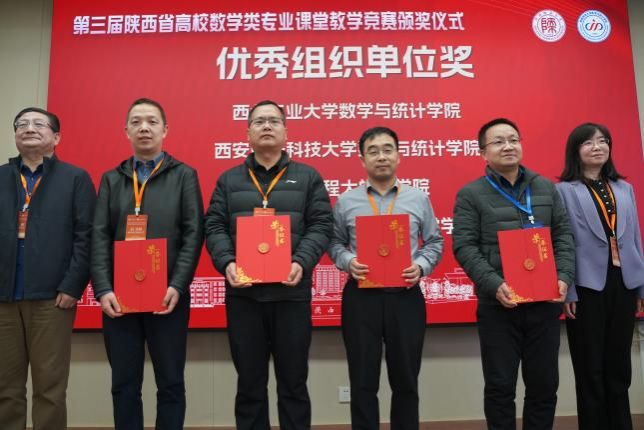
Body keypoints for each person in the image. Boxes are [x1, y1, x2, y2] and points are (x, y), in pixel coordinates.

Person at [204, 100, 333, 430]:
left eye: (273, 121)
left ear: (285, 132)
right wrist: (227, 262)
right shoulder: (229, 180)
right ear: (247, 133)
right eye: (259, 121)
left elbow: (321, 225)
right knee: (249, 386)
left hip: (291, 296)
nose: (266, 126)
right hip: (244, 297)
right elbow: (214, 226)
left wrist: (301, 261)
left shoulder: (308, 177)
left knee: (293, 384)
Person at [452, 118, 575, 430]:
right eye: (498, 141)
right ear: (483, 152)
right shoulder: (471, 194)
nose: (508, 146)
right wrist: (495, 285)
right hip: (499, 306)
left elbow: (563, 236)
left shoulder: (545, 187)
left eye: (513, 139)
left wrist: (563, 276)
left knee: (544, 385)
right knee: (500, 386)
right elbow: (464, 246)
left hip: (544, 305)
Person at [91, 98, 203, 430]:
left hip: (167, 297)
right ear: (126, 130)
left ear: (165, 130)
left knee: (171, 382)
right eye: (136, 122)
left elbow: (193, 234)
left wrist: (177, 285)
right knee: (124, 384)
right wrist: (103, 289)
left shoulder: (184, 175)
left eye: (152, 122)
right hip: (119, 299)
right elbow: (99, 236)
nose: (144, 128)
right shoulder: (111, 179)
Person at [328, 126, 444, 430]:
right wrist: (348, 261)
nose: (381, 156)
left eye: (387, 149)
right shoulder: (346, 201)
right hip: (361, 297)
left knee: (406, 380)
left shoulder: (418, 198)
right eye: (373, 151)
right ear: (362, 159)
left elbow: (435, 241)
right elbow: (334, 243)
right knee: (362, 381)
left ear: (398, 155)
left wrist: (421, 266)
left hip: (405, 295)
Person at [0, 107, 96, 430]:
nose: (29, 128)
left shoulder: (75, 179)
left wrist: (72, 286)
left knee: (50, 390)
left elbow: (87, 236)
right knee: (5, 389)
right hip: (3, 299)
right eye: (22, 124)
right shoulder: (1, 177)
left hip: (52, 300)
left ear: (56, 137)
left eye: (39, 124)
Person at [556, 123, 644, 430]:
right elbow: (562, 242)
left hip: (624, 283)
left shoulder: (624, 188)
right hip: (586, 286)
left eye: (603, 141)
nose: (597, 147)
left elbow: (635, 239)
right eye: (589, 142)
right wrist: (568, 291)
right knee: (589, 366)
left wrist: (640, 286)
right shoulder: (564, 191)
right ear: (575, 150)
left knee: (619, 364)